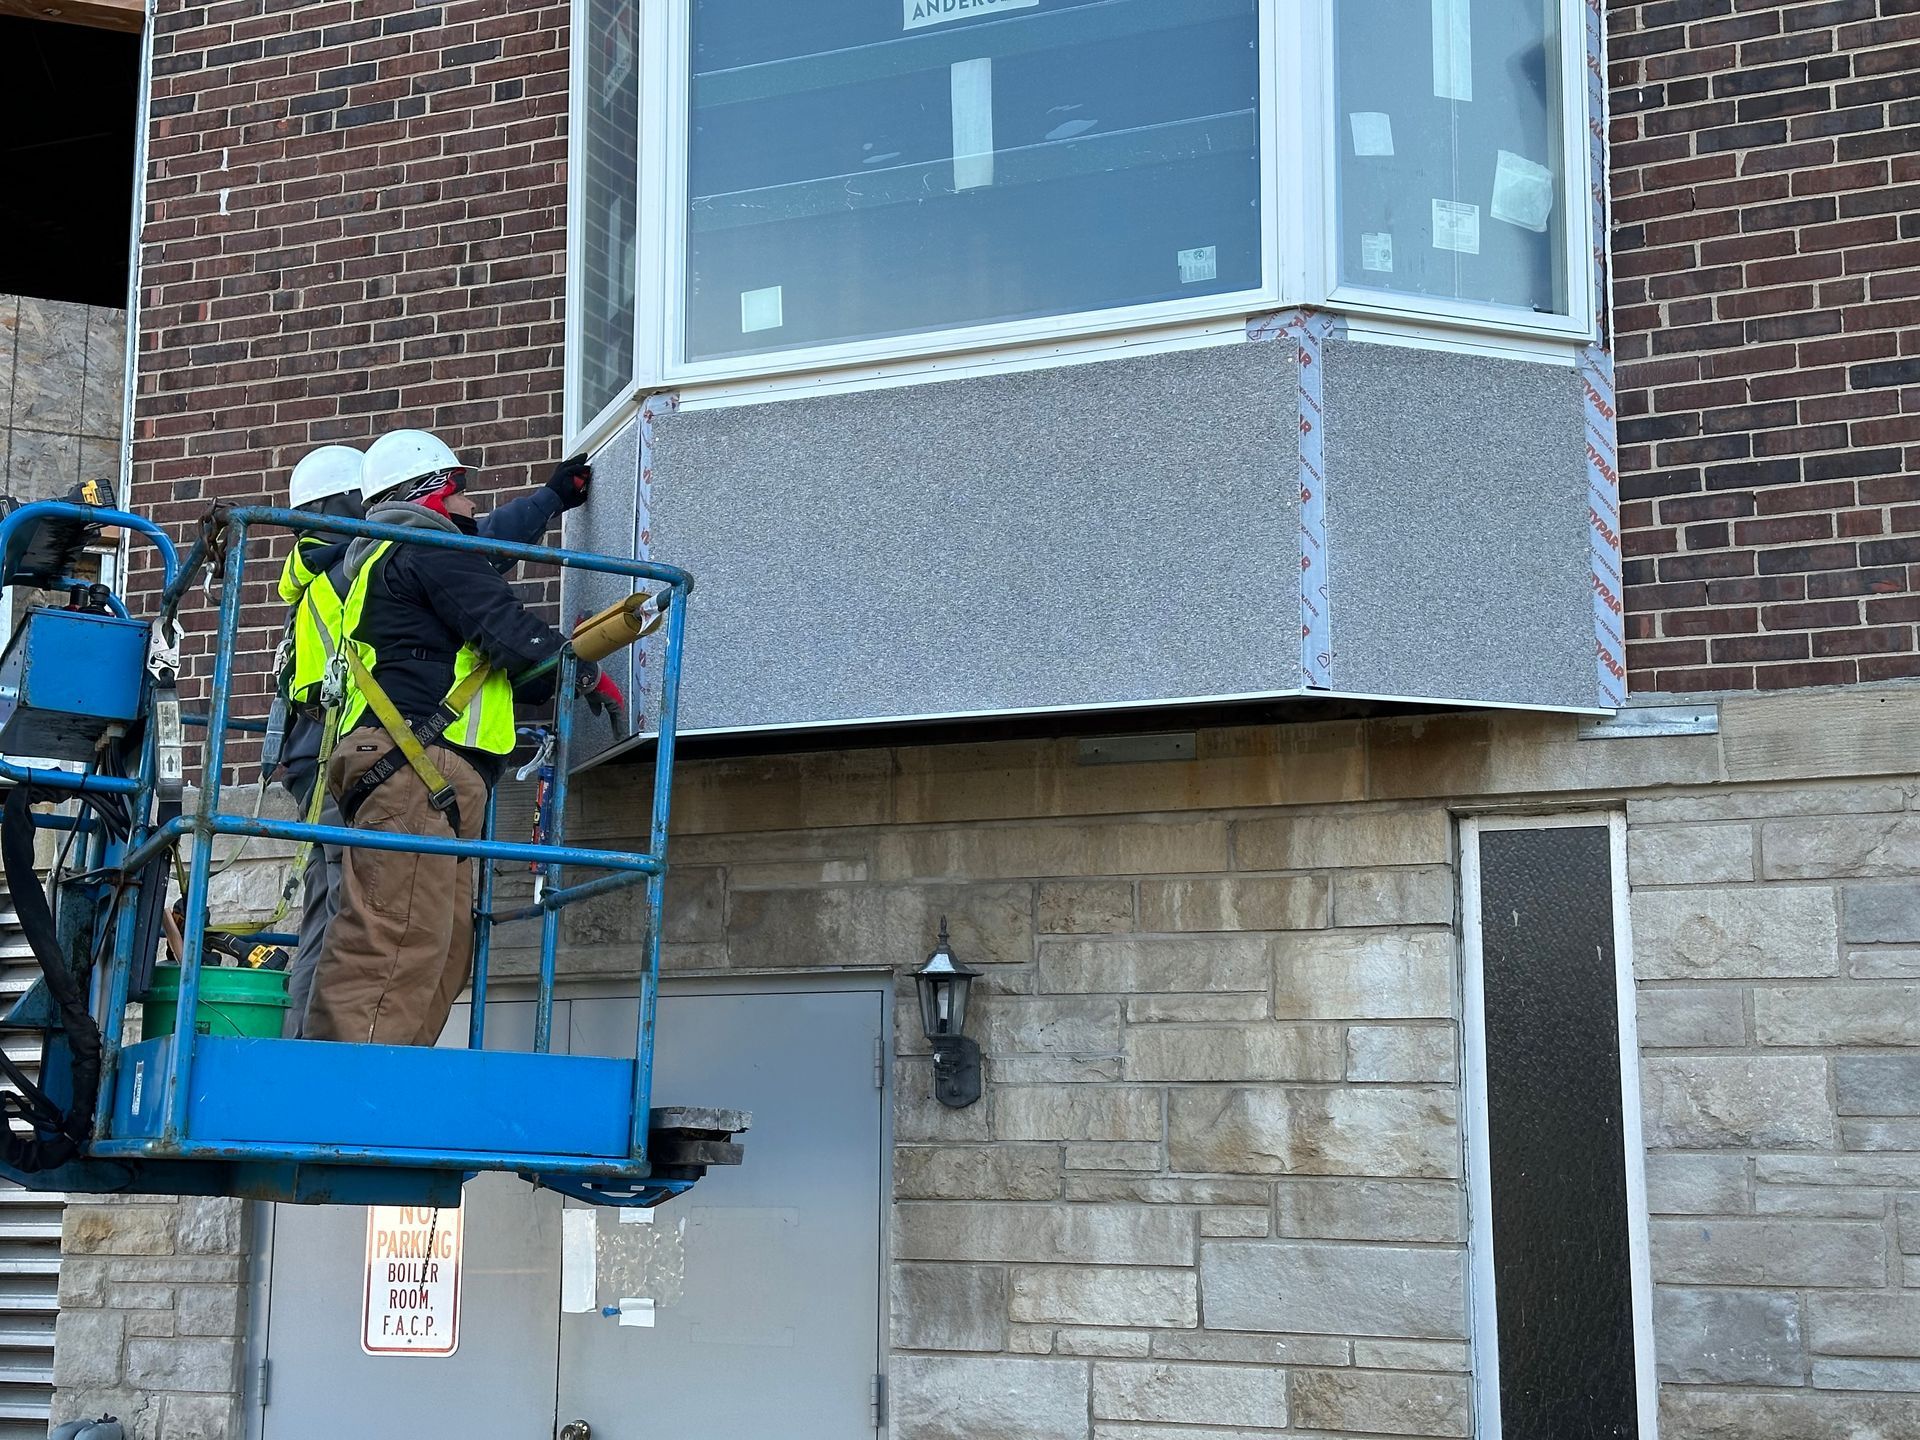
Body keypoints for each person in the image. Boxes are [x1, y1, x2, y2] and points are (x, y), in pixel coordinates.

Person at [299, 429, 620, 1045]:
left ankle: (385, 1087)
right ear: (435, 491)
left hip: (418, 771)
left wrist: (550, 501)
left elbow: (489, 636)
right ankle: (344, 1098)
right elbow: (503, 624)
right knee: (395, 941)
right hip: (414, 770)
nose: (474, 507)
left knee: (437, 948)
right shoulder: (423, 548)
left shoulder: (396, 555)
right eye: (466, 492)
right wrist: (582, 667)